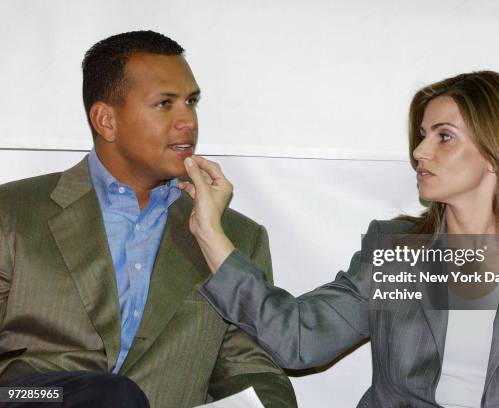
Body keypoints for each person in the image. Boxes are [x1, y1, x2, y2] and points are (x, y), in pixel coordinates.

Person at [180, 71, 499, 407]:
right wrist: (210, 232)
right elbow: (300, 339)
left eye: (444, 136)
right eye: (422, 135)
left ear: (497, 153)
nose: (420, 151)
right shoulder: (395, 251)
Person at [0, 30, 296, 408]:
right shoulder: (12, 213)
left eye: (191, 102)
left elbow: (251, 370)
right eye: (164, 104)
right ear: (106, 120)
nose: (187, 120)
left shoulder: (235, 236)